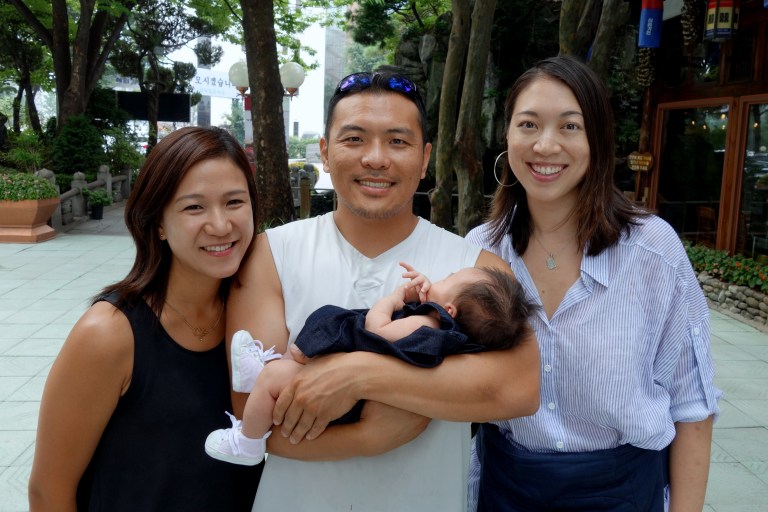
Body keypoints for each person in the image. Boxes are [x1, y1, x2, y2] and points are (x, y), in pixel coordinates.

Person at [226, 70, 541, 511]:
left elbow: (517, 390)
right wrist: (370, 435)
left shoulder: (476, 270)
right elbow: (253, 420)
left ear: (426, 156)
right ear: (325, 151)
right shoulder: (270, 255)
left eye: (397, 141)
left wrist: (353, 376)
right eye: (354, 139)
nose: (376, 159)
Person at [465, 56, 722, 511]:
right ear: (507, 136)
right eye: (528, 124)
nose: (545, 145)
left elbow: (692, 405)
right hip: (506, 491)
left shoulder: (652, 250)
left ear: (598, 141)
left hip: (624, 492)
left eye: (569, 127)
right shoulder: (480, 251)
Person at [28, 127, 263, 511]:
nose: (221, 225)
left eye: (234, 202)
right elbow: (48, 492)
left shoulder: (257, 315)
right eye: (194, 207)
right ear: (157, 223)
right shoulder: (109, 333)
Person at [206, 263, 536, 465]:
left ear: (448, 310)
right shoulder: (447, 332)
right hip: (356, 388)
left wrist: (391, 300)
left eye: (449, 277)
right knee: (284, 374)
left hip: (355, 382)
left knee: (281, 378)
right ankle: (264, 371)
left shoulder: (427, 325)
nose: (439, 277)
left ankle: (248, 441)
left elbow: (378, 329)